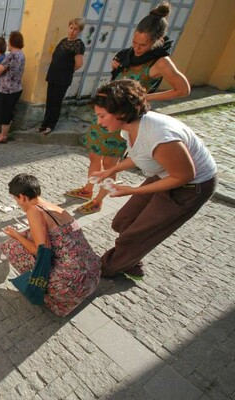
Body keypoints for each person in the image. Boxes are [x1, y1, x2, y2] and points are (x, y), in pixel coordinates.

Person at [66, 2, 190, 214]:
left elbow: (183, 89)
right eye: (134, 42)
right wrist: (116, 68)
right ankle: (88, 189)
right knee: (95, 155)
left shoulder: (161, 62)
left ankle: (99, 200)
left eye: (142, 45)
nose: (136, 48)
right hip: (107, 115)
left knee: (110, 163)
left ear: (155, 42)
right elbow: (121, 80)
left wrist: (146, 96)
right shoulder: (129, 54)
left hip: (123, 118)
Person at [89, 79, 217, 280]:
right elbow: (140, 154)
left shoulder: (159, 135)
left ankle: (106, 269)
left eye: (102, 116)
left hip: (191, 187)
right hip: (168, 174)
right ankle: (131, 258)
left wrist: (132, 190)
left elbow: (184, 176)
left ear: (121, 113)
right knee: (124, 221)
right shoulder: (132, 125)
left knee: (137, 234)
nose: (99, 122)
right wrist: (109, 171)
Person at [0, 174, 101, 317]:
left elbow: (39, 251)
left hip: (70, 285)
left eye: (15, 199)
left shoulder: (33, 210)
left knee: (12, 246)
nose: (17, 203)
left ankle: (49, 294)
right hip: (93, 274)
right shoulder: (52, 207)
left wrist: (15, 235)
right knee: (28, 234)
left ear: (22, 197)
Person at [40, 17, 85, 135]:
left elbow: (79, 64)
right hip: (53, 75)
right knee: (49, 101)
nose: (72, 31)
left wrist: (68, 71)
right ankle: (44, 124)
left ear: (79, 31)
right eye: (71, 28)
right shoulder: (63, 41)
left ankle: (51, 125)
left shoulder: (78, 44)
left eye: (76, 29)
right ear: (68, 27)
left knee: (56, 102)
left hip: (63, 78)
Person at [0, 31, 26, 144]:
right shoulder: (21, 54)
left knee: (4, 113)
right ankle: (3, 133)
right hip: (16, 87)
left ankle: (3, 136)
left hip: (7, 89)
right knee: (8, 111)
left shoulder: (11, 55)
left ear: (12, 41)